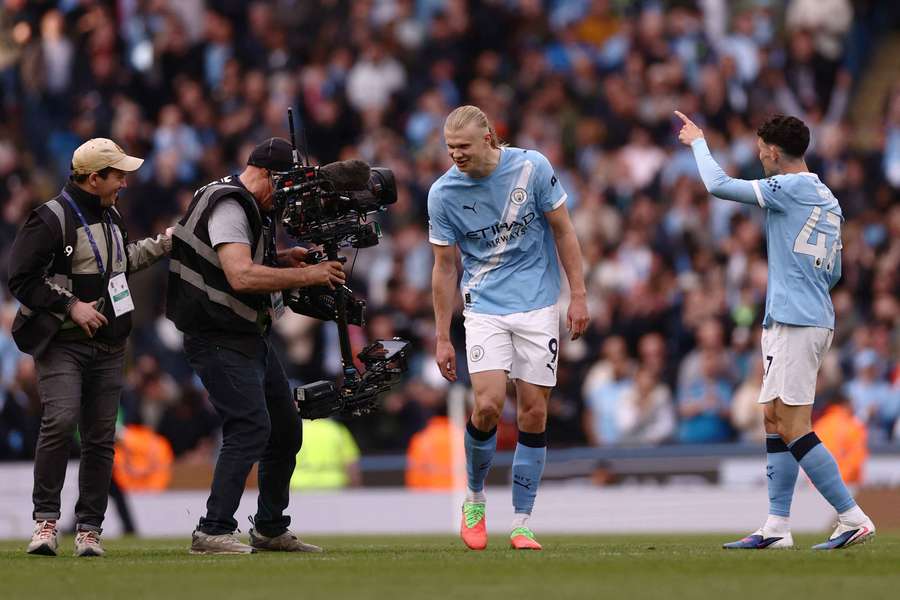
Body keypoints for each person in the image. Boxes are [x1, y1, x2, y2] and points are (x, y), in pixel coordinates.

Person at [676, 111, 875, 550]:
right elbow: (836, 271)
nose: (757, 153)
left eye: (758, 147)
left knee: (792, 421)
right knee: (773, 417)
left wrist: (698, 142)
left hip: (797, 320)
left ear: (771, 150)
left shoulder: (788, 187)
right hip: (805, 314)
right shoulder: (826, 196)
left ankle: (851, 515)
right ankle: (777, 526)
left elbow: (717, 186)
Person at [166, 137, 345, 554]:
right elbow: (240, 275)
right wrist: (312, 275)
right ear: (267, 175)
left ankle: (268, 528)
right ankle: (212, 530)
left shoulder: (248, 203)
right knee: (250, 426)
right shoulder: (230, 204)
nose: (289, 200)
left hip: (245, 333)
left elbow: (238, 262)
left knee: (284, 429)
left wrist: (284, 259)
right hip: (217, 336)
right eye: (287, 187)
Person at [429, 105, 589, 551]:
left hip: (538, 304)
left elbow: (564, 231)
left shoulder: (531, 167)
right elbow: (444, 268)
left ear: (488, 140)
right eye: (450, 148)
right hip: (484, 307)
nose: (456, 155)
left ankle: (522, 521)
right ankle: (475, 499)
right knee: (488, 405)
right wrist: (442, 335)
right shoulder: (443, 194)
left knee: (534, 411)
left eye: (463, 147)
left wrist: (577, 293)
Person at [7, 138, 172, 557]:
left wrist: (164, 243)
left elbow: (120, 264)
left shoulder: (112, 215)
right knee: (60, 422)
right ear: (94, 178)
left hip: (110, 344)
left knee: (100, 439)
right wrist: (70, 306)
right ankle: (45, 523)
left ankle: (88, 530)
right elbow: (20, 279)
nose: (124, 183)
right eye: (118, 175)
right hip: (62, 344)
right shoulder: (49, 219)